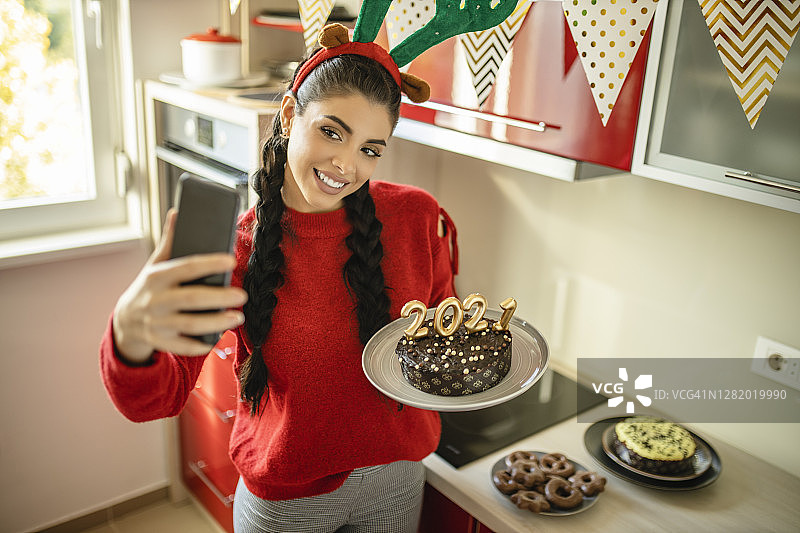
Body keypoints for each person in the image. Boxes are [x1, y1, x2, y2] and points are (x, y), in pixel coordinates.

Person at [99, 26, 458, 533]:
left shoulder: (415, 217)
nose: (346, 164)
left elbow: (442, 325)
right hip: (287, 501)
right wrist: (129, 338)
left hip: (395, 477)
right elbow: (159, 398)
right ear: (289, 115)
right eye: (332, 132)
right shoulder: (238, 250)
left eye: (371, 149)